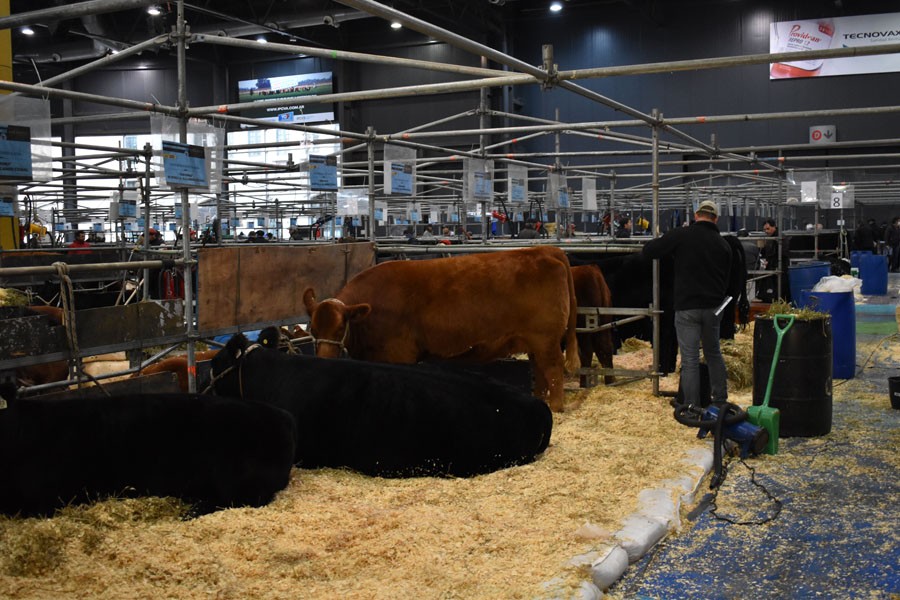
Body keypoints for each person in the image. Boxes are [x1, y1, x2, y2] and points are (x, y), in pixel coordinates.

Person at [643, 200, 732, 407]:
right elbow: (727, 280)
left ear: (696, 216)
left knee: (690, 359)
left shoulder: (681, 235)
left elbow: (650, 251)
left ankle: (691, 407)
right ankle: (720, 401)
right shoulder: (723, 245)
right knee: (713, 353)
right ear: (716, 219)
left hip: (687, 307)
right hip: (713, 308)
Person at [758, 218, 790, 303]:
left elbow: (783, 253)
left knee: (780, 289)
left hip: (780, 267)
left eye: (768, 229)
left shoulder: (781, 238)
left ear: (774, 227)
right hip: (771, 266)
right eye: (764, 229)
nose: (766, 231)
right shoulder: (770, 238)